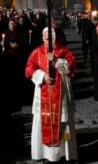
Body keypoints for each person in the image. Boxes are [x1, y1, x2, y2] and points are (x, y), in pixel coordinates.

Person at [25, 27, 77, 162]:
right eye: (45, 37)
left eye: (51, 37)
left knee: (63, 123)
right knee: (42, 122)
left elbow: (71, 66)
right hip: (43, 93)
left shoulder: (63, 51)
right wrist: (42, 76)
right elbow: (29, 68)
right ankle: (44, 154)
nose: (48, 40)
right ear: (42, 38)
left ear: (55, 38)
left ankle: (63, 153)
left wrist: (56, 60)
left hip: (61, 96)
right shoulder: (37, 52)